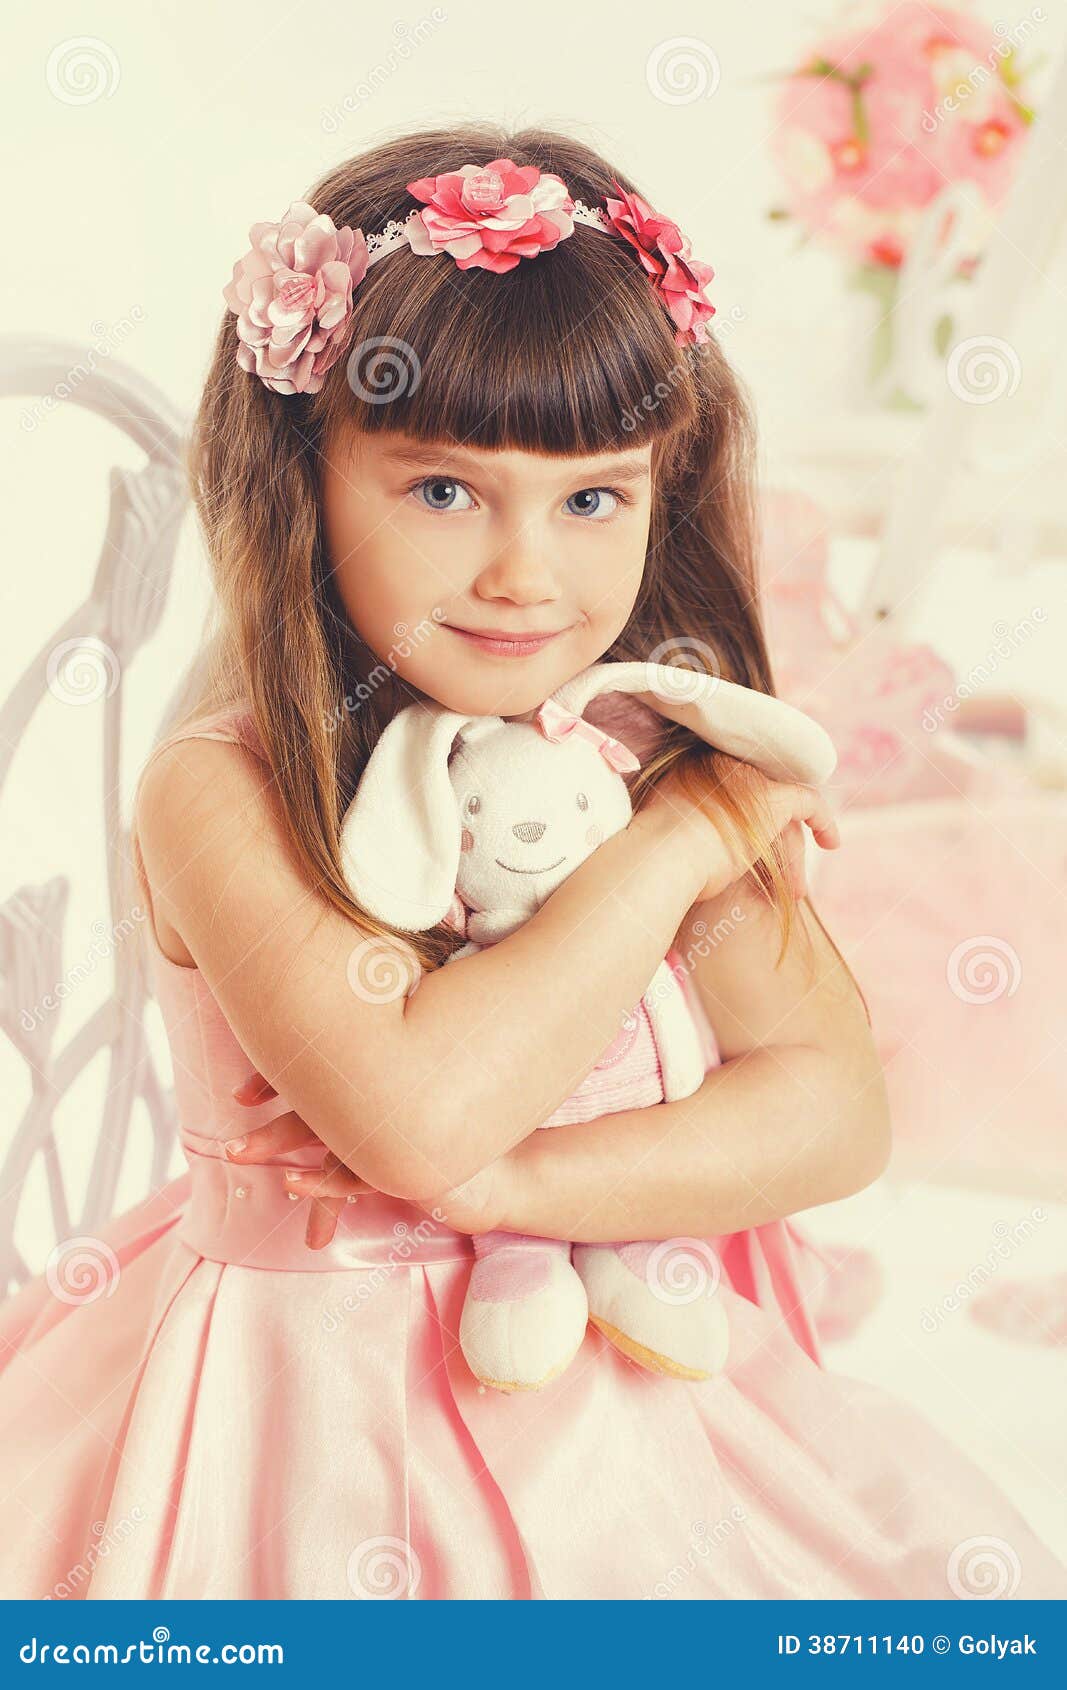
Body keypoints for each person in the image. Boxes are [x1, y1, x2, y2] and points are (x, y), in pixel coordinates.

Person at [1, 124, 1062, 1601]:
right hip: (303, 1409)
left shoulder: (643, 739)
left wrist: (522, 1185)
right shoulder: (223, 788)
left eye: (592, 498)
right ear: (303, 483)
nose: (527, 573)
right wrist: (679, 842)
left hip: (639, 1389)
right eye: (443, 492)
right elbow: (421, 1120)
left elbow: (832, 1106)